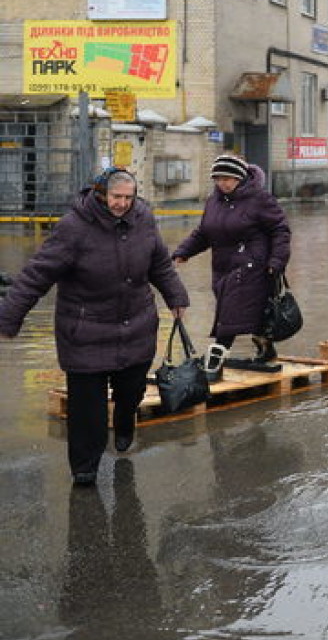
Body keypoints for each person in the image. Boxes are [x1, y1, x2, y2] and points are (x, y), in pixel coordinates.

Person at [0, 167, 190, 485]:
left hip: (137, 325)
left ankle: (126, 418)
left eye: (129, 198)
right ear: (101, 194)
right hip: (85, 330)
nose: (123, 204)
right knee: (87, 410)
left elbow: (159, 262)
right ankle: (85, 468)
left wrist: (176, 296)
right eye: (117, 197)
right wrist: (9, 317)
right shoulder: (74, 228)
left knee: (132, 390)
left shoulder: (144, 218)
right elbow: (37, 274)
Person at [173, 154, 292, 377]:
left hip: (253, 265)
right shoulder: (213, 201)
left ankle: (215, 361)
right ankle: (266, 349)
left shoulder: (260, 199)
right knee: (245, 312)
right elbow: (204, 233)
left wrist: (277, 260)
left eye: (228, 178)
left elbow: (280, 230)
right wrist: (183, 252)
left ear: (240, 177)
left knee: (229, 314)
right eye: (218, 178)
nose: (223, 183)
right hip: (222, 266)